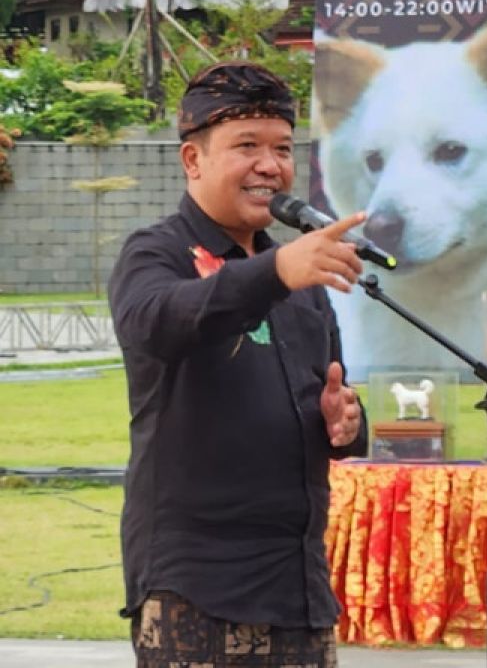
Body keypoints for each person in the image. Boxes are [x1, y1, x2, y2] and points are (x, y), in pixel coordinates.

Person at [108, 61, 369, 667]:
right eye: (246, 146)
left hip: (299, 585)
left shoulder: (302, 274)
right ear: (192, 160)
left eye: (281, 148)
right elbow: (159, 319)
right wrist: (274, 272)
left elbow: (331, 395)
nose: (270, 165)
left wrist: (346, 423)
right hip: (197, 589)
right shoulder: (157, 251)